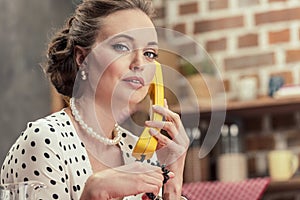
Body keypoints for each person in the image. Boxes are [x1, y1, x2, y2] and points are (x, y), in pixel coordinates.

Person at [1, 0, 189, 199]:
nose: (140, 64)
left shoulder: (142, 155)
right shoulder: (44, 141)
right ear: (83, 59)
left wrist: (173, 184)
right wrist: (91, 194)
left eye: (149, 53)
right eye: (122, 47)